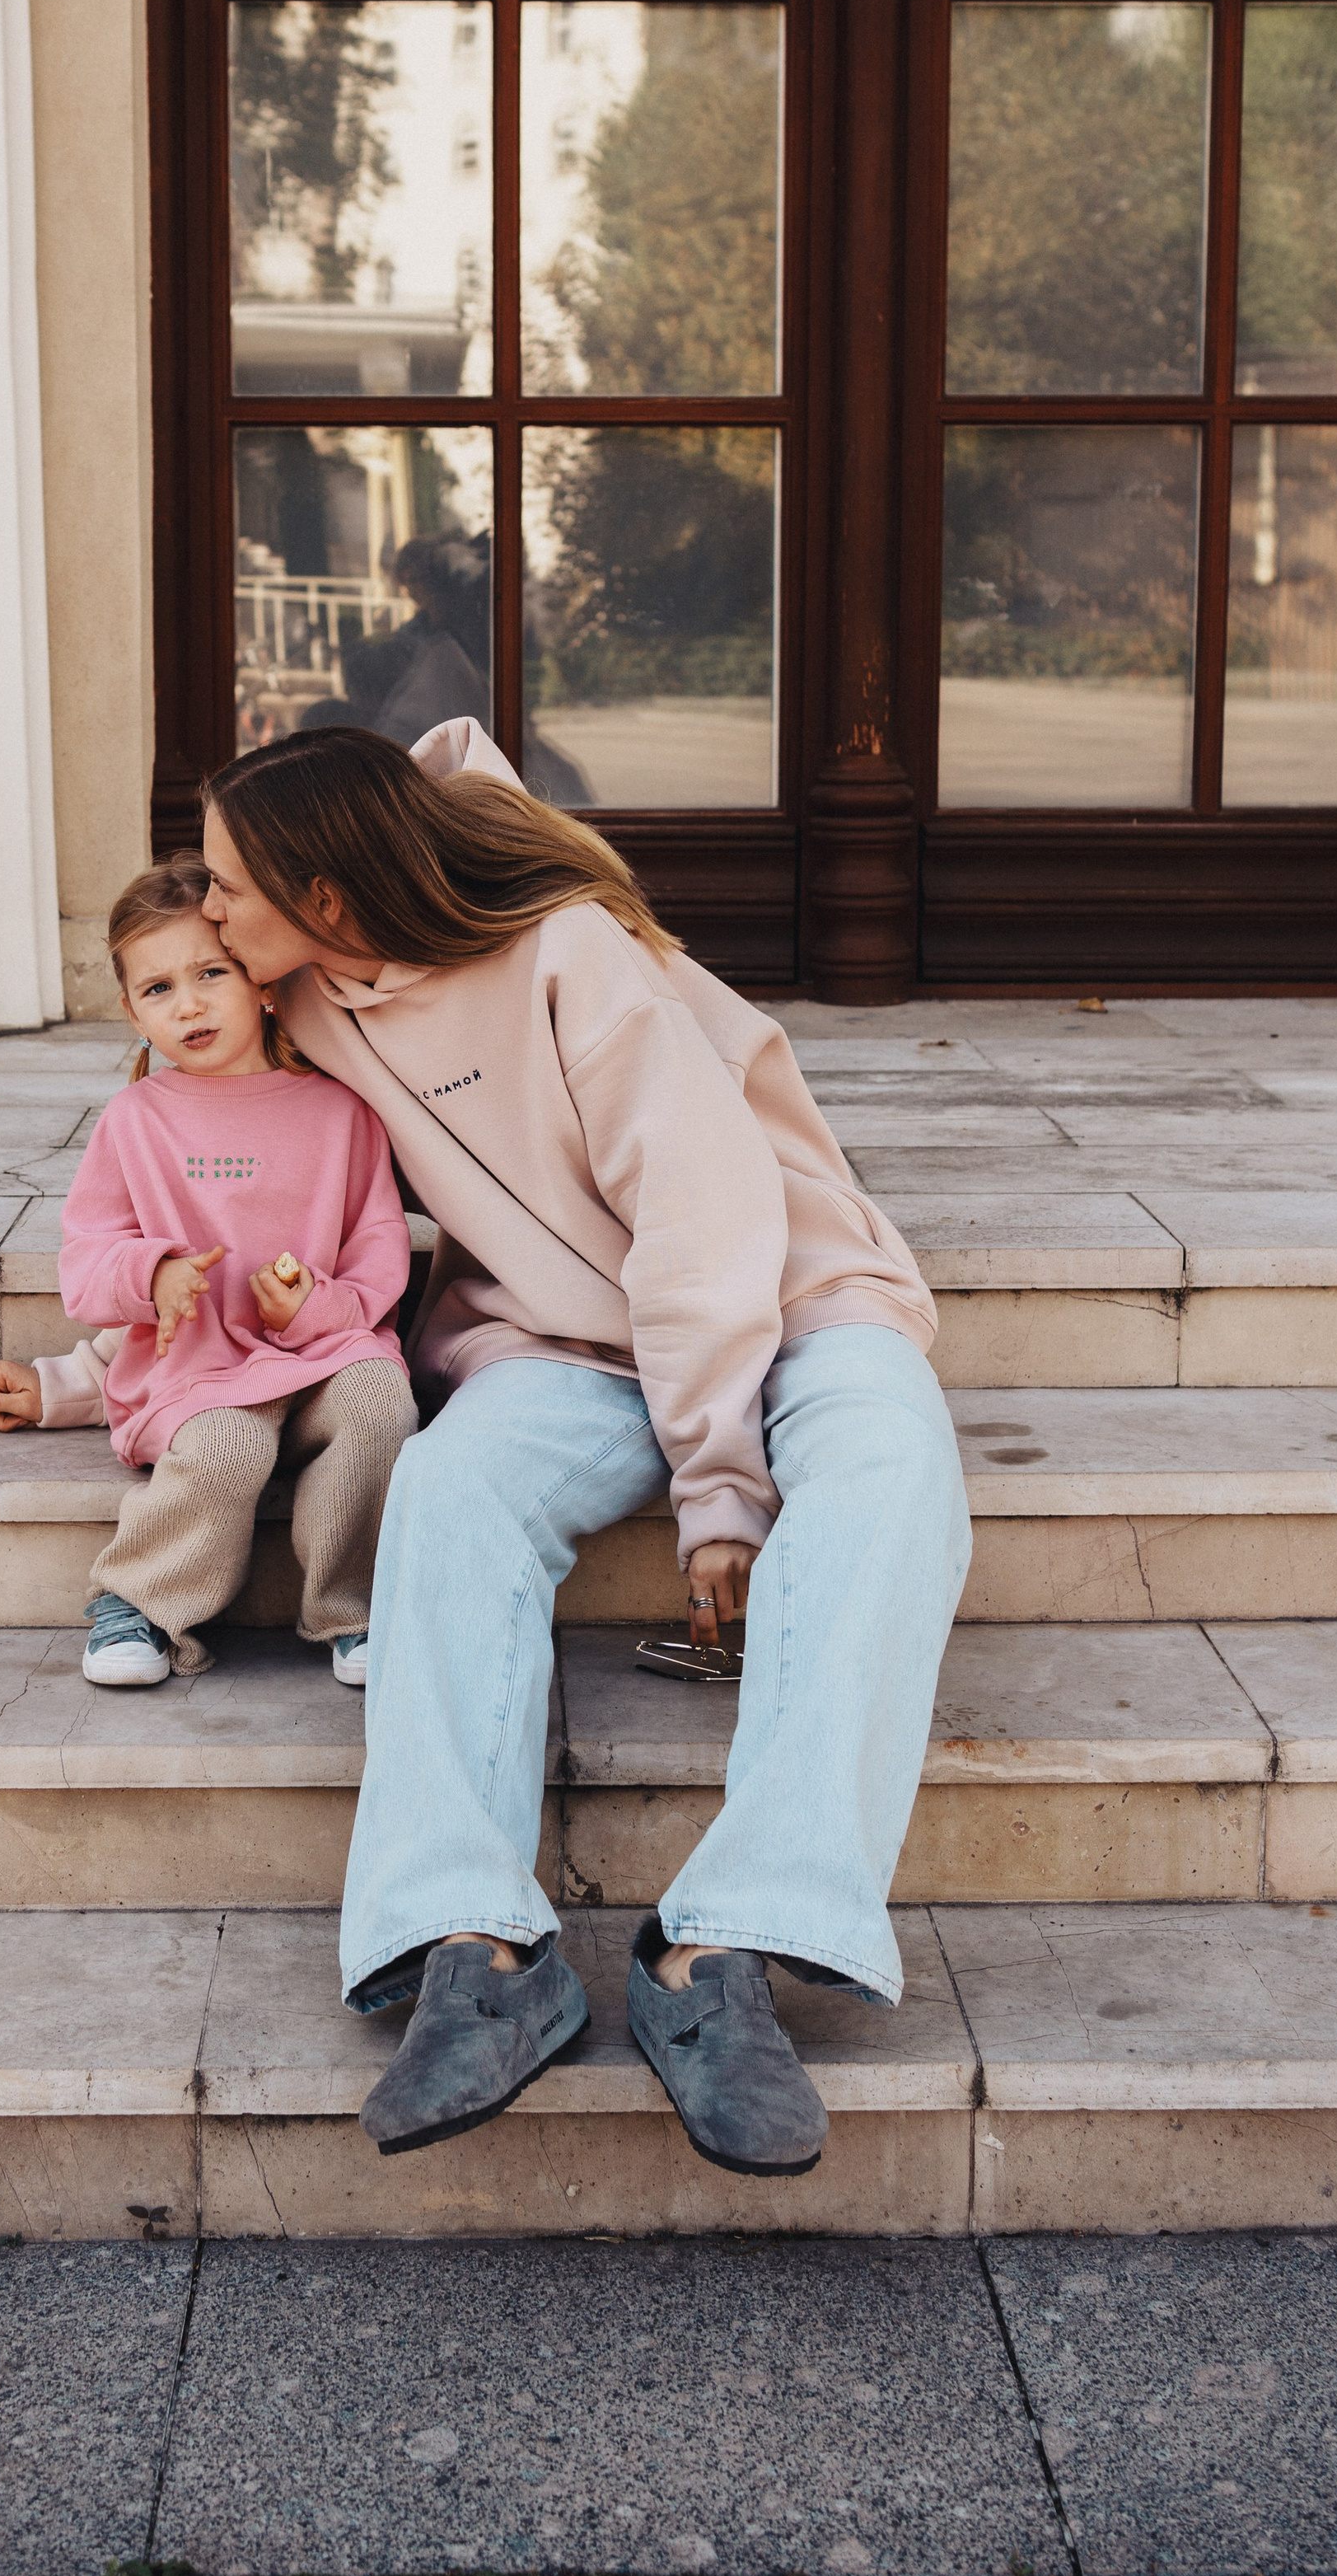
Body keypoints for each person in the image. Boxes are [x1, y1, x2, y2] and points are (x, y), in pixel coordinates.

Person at [198, 721, 970, 2177]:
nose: (205, 907)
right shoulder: (304, 1002)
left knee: (893, 1479)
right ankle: (477, 1948)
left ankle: (727, 1949)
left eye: (228, 881)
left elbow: (700, 1216)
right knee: (448, 1485)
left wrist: (720, 1487)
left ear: (330, 895)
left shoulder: (568, 952)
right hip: (559, 1342)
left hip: (789, 1292)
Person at [0, 856, 416, 1691]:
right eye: (158, 989)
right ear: (131, 1010)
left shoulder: (342, 1110)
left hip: (322, 1358)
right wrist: (153, 1272)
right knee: (229, 1443)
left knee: (381, 1400)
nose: (188, 1002)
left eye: (211, 973)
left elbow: (379, 1246)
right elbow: (87, 1261)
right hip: (197, 1376)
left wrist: (320, 1305)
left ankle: (358, 1607)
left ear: (263, 982)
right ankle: (139, 1601)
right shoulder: (135, 1122)